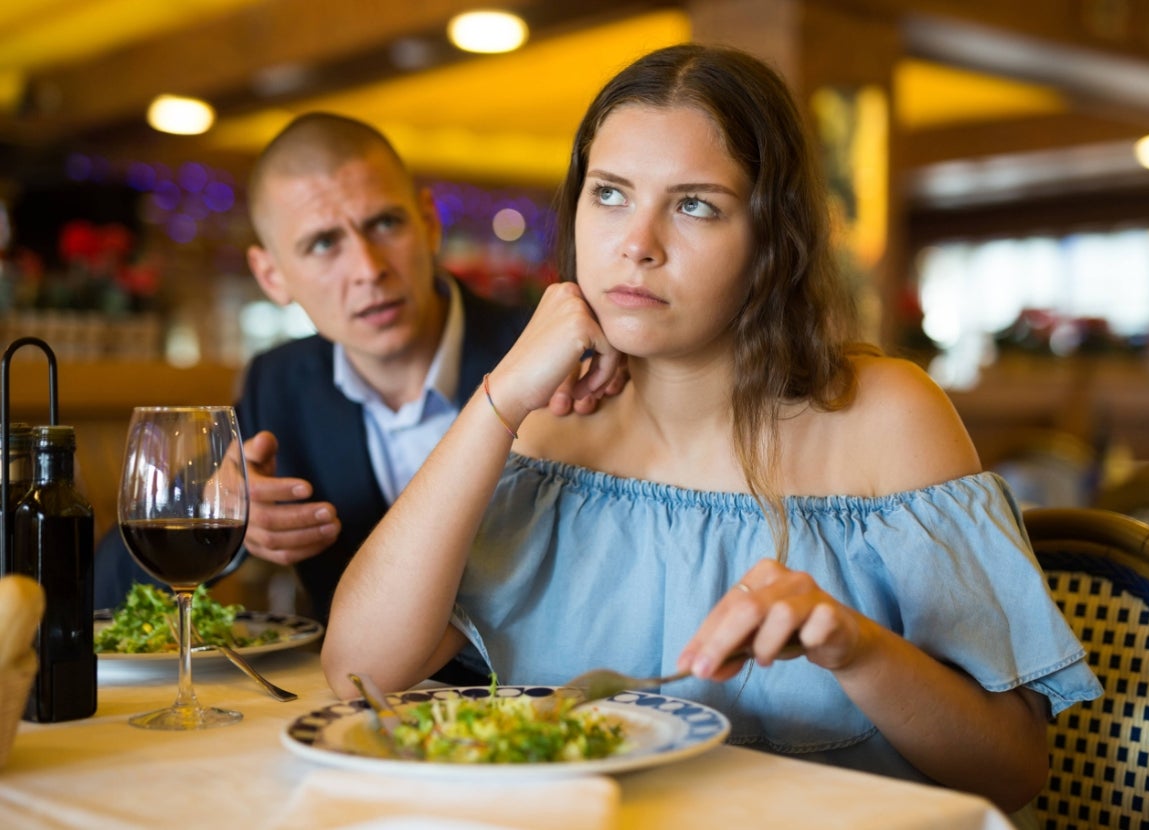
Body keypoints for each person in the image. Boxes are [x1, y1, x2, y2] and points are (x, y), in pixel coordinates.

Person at [320, 44, 1102, 816]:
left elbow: (1013, 768)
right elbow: (360, 670)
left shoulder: (887, 417)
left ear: (771, 239)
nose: (637, 243)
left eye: (695, 204)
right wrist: (499, 399)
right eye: (610, 193)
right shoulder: (551, 428)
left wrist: (853, 648)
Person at [94, 113, 618, 636]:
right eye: (323, 243)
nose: (368, 268)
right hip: (350, 706)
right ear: (271, 275)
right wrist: (226, 527)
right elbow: (102, 594)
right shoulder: (280, 383)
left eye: (385, 224)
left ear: (429, 224)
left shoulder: (550, 355)